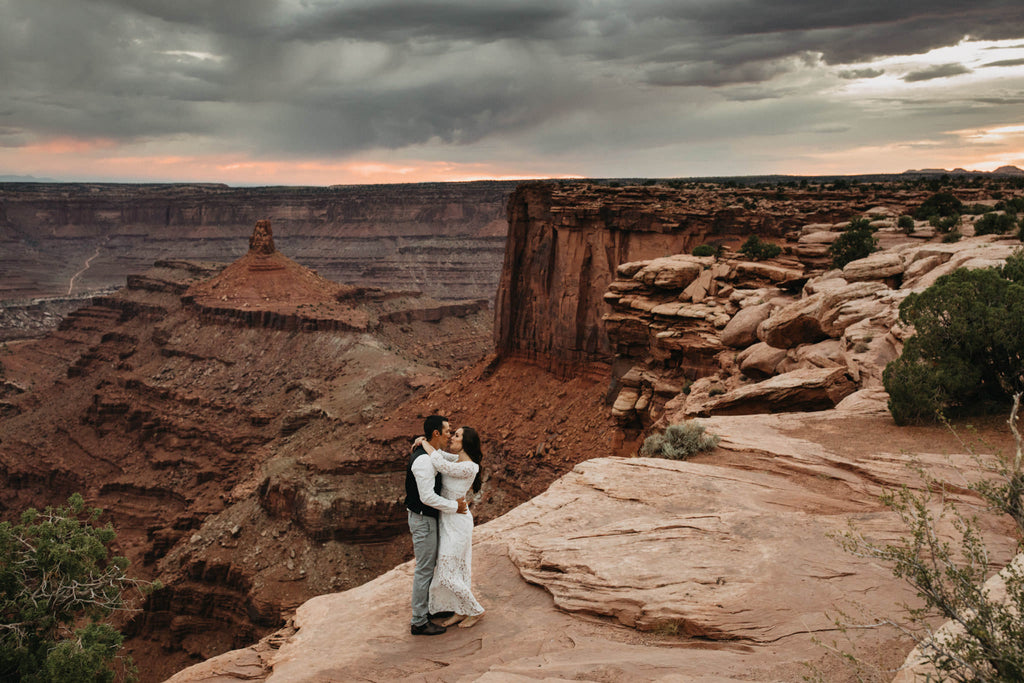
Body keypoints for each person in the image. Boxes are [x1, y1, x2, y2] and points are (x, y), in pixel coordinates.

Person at [414, 426, 486, 629]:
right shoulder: (458, 460)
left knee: (447, 573)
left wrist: (425, 443)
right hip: (448, 518)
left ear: (467, 442)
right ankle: (460, 610)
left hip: (458, 522)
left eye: (457, 435)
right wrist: (425, 440)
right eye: (453, 434)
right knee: (459, 569)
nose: (452, 437)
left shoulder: (470, 467)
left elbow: (441, 465)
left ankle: (476, 610)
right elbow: (441, 456)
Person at [405, 415, 467, 636]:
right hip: (423, 520)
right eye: (448, 431)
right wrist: (454, 506)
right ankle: (419, 622)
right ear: (436, 434)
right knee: (424, 569)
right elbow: (427, 497)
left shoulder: (432, 453)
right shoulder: (423, 461)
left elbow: (446, 460)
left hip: (427, 519)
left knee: (430, 567)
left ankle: (427, 610)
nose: (450, 434)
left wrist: (421, 440)